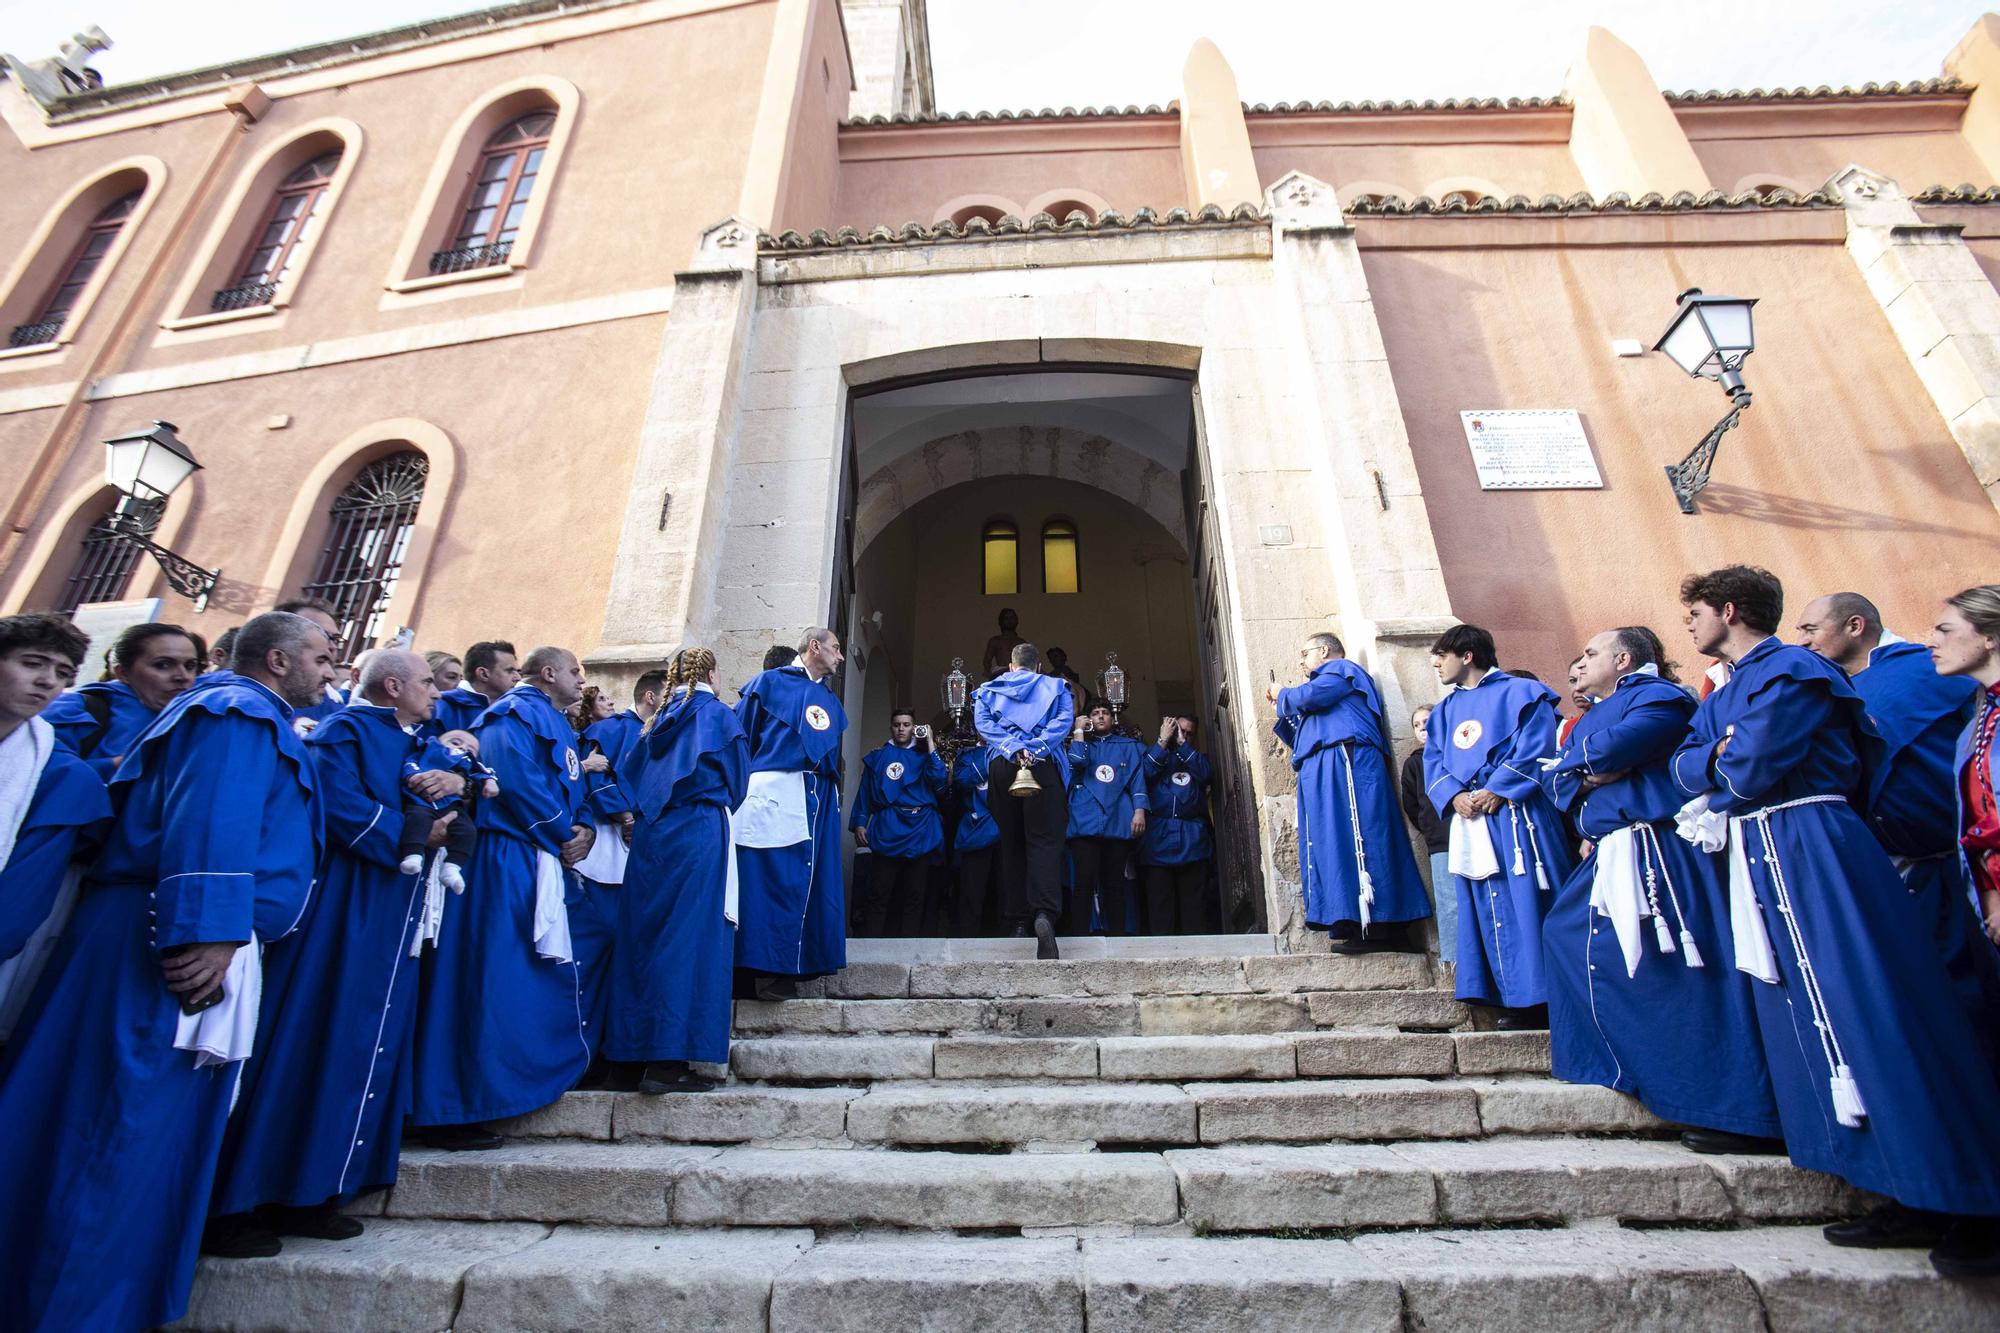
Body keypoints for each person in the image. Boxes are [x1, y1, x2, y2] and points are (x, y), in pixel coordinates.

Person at [0, 611, 331, 1330]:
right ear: (277, 660)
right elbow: (213, 817)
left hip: (180, 929)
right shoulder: (235, 709)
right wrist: (207, 930)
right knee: (118, 1128)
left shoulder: (238, 710)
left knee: (137, 1130)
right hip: (170, 940)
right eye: (323, 656)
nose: (331, 670)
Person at [1671, 565, 2000, 1277]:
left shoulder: (1792, 669)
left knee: (1875, 1007)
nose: (1689, 627)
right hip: (1765, 852)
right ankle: (1899, 1183)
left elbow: (1749, 767)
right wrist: (1714, 758)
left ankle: (1966, 1193)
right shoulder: (1731, 686)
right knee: (1817, 1017)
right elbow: (1685, 765)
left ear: (1729, 610)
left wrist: (1717, 759)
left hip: (1812, 843)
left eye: (1695, 612)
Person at [204, 649, 467, 1253]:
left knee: (362, 1042)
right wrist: (412, 834)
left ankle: (320, 1188)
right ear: (394, 685)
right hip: (349, 906)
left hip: (397, 908)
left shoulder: (417, 736)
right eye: (428, 682)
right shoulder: (344, 730)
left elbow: (453, 788)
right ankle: (248, 1198)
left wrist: (457, 783)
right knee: (311, 1036)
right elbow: (339, 804)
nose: (436, 692)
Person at [1540, 627, 1782, 1154]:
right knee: (1569, 936)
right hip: (1611, 846)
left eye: (1591, 654)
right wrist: (1584, 768)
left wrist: (1583, 765)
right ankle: (1635, 1069)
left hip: (1655, 848)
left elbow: (1615, 748)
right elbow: (1554, 778)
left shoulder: (1659, 695)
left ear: (1624, 659)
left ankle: (1724, 1105)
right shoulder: (1602, 710)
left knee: (1681, 969)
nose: (1579, 664)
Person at [1799, 590, 1999, 1051]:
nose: (1803, 641)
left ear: (1855, 626)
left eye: (1811, 629)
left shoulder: (1918, 669)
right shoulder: (1975, 718)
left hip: (1959, 865)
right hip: (1922, 872)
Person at [411, 646, 593, 1149]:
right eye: (576, 671)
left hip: (535, 855)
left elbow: (572, 792)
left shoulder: (553, 720)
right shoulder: (512, 714)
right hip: (504, 858)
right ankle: (458, 1103)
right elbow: (518, 783)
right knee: (488, 972)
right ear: (550, 673)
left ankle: (509, 1086)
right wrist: (562, 834)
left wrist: (585, 832)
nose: (583, 681)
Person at [606, 647, 749, 1093]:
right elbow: (738, 780)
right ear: (711, 672)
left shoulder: (655, 721)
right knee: (691, 938)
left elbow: (631, 777)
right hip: (698, 830)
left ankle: (629, 1055)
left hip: (651, 835)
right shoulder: (718, 717)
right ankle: (668, 1063)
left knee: (643, 935)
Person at [1424, 624, 1574, 1026]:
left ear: (1467, 655)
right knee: (1484, 904)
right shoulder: (1443, 712)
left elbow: (1538, 746)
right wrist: (1454, 796)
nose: (1436, 663)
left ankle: (1543, 998)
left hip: (1515, 817)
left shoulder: (1525, 694)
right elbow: (1433, 761)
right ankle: (1507, 995)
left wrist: (1500, 788)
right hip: (1472, 818)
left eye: (1442, 654)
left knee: (1527, 899)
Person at [1272, 633, 1434, 955]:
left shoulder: (1340, 670)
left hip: (1346, 762)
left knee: (1361, 837)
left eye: (1304, 653)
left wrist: (1282, 694)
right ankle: (1348, 919)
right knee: (1334, 845)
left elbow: (1308, 697)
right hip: (1325, 767)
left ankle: (1381, 924)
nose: (1301, 661)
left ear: (1323, 650)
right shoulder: (1323, 686)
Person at [0, 615, 112, 1040]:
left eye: (63, 673)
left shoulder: (63, 777)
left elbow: (18, 903)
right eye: (32, 663)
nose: (48, 682)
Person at [734, 628, 847, 999]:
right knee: (758, 881)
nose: (840, 657)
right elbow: (740, 741)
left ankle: (793, 969)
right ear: (814, 647)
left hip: (816, 800)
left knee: (807, 885)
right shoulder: (767, 684)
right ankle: (743, 971)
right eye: (835, 648)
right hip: (769, 793)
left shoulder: (829, 700)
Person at [42, 620, 200, 778]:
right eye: (163, 665)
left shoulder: (196, 720)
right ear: (123, 673)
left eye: (190, 666)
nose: (182, 676)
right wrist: (119, 765)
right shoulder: (75, 710)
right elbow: (34, 772)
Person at [1936, 588, 2000, 953]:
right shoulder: (1975, 726)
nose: (1933, 642)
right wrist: (1990, 896)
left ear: (1989, 637)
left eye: (1946, 630)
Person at [852, 709, 947, 937]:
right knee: (879, 892)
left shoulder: (924, 756)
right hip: (888, 828)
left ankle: (909, 947)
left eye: (906, 724)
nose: (901, 729)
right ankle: (873, 946)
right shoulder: (878, 756)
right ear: (891, 727)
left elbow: (940, 780)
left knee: (915, 894)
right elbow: (864, 792)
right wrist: (860, 823)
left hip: (920, 830)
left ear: (913, 728)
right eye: (897, 724)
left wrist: (931, 743)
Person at [1063, 700, 1149, 935]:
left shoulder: (1129, 746)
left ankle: (1118, 936)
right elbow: (1077, 762)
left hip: (1118, 820)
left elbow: (1137, 780)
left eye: (1105, 713)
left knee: (1115, 884)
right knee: (1083, 883)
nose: (1101, 717)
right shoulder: (1080, 745)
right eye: (1095, 713)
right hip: (1085, 820)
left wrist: (1139, 810)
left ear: (1112, 718)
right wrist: (1078, 732)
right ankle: (1080, 935)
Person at [1139, 715, 1214, 934]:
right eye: (1179, 730)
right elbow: (1144, 774)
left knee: (1194, 907)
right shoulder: (1156, 755)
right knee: (1160, 905)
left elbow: (1206, 774)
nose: (1183, 734)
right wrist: (1163, 741)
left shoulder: (1197, 759)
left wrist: (1182, 744)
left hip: (1192, 840)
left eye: (1189, 732)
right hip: (1158, 840)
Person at [1398, 706, 1455, 970]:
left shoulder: (1457, 753)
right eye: (1417, 725)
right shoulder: (1414, 763)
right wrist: (1430, 827)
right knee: (1449, 903)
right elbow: (1411, 804)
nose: (1423, 728)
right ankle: (1455, 964)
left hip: (1469, 834)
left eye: (1427, 722)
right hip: (1439, 839)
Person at [950, 735, 1001, 934]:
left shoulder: (1012, 751)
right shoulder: (967, 755)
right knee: (973, 889)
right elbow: (962, 779)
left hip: (1005, 829)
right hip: (976, 828)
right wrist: (988, 756)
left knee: (1003, 888)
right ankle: (968, 935)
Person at [275, 598, 347, 728]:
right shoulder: (237, 702)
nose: (331, 647)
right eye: (320, 634)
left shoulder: (336, 714)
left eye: (335, 639)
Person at [433, 640, 520, 734]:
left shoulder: (513, 710)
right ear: (483, 674)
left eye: (518, 672)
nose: (518, 678)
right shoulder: (440, 706)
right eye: (509, 671)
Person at [1556, 655, 1591, 747]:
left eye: (1585, 680)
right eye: (1573, 680)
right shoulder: (1569, 727)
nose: (1578, 687)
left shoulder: (1624, 715)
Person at [983, 607, 1025, 680]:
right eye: (1006, 618)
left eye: (1012, 618)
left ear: (1016, 621)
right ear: (1001, 621)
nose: (1009, 620)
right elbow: (987, 660)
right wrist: (988, 673)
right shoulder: (995, 640)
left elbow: (1028, 661)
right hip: (1000, 674)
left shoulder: (1021, 642)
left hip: (1017, 675)